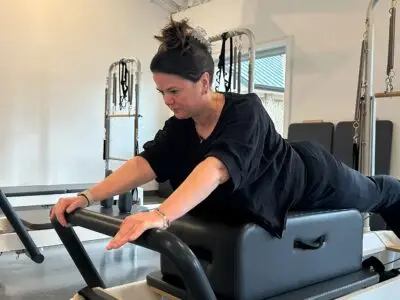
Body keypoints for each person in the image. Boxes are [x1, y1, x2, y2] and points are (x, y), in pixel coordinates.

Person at [51, 17, 400, 251]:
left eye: (174, 91)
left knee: (380, 192)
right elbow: (146, 163)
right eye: (162, 93)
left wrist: (160, 215)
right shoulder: (181, 125)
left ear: (204, 82)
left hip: (313, 177)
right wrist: (85, 196)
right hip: (268, 193)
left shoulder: (244, 110)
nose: (168, 101)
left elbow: (217, 168)